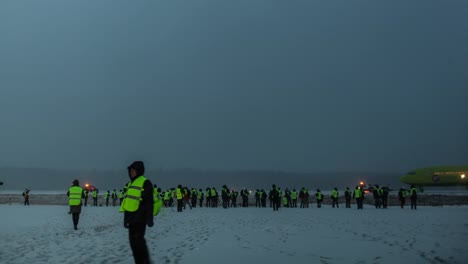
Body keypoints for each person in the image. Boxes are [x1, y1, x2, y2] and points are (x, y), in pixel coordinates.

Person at [120, 161, 154, 264]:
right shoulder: (130, 184)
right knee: (133, 244)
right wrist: (125, 219)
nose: (131, 172)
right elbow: (127, 202)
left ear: (139, 171)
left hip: (140, 218)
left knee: (139, 243)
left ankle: (145, 262)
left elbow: (149, 202)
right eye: (130, 170)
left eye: (133, 170)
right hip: (131, 219)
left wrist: (149, 218)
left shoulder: (145, 182)